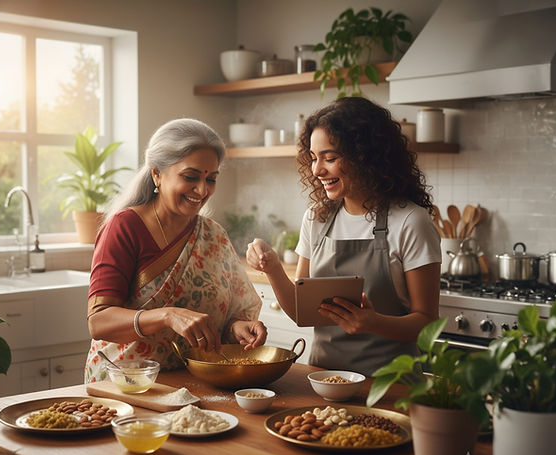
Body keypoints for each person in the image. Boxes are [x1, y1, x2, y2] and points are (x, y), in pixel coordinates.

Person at [246, 97, 441, 376]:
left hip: (390, 386)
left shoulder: (411, 222)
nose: (317, 170)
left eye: (330, 157)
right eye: (314, 158)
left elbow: (428, 324)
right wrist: (273, 267)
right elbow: (303, 312)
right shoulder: (317, 218)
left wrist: (374, 322)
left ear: (366, 156)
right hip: (325, 381)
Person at [85, 118, 267, 382]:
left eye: (211, 179)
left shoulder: (212, 234)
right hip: (127, 384)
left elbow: (221, 318)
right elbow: (99, 322)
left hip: (194, 383)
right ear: (156, 173)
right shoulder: (125, 227)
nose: (202, 190)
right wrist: (167, 316)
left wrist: (237, 329)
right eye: (190, 177)